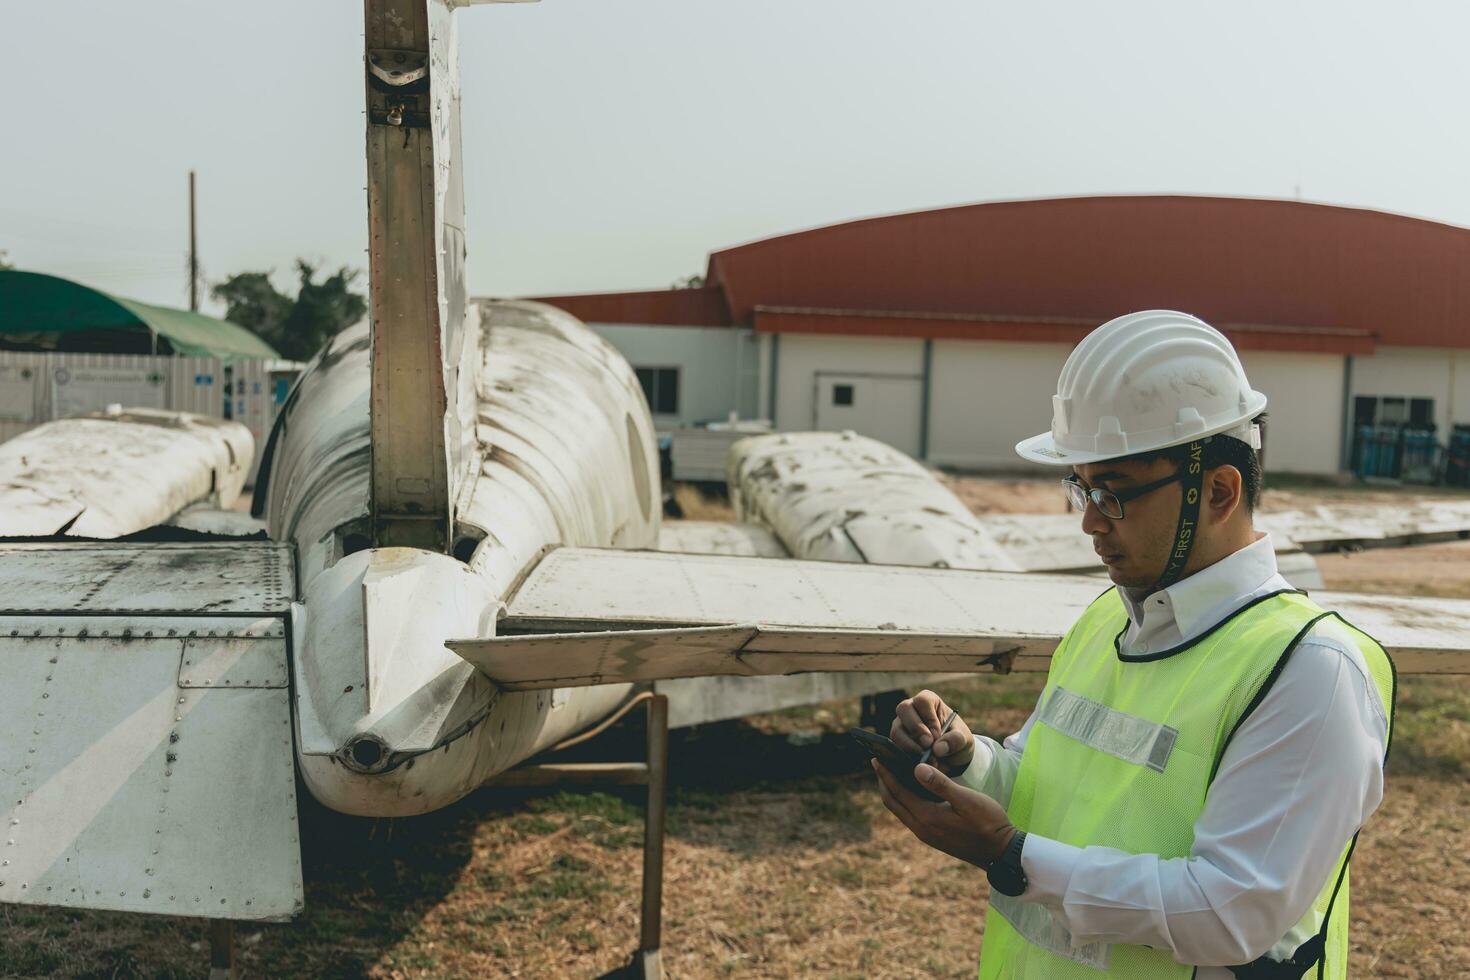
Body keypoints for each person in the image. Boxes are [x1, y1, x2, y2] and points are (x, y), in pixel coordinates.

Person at [871, 310, 1394, 979]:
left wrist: (1009, 855)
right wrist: (967, 760)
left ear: (1219, 492)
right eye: (1081, 488)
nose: (1089, 521)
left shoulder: (1311, 672)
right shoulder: (1104, 622)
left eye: (1114, 493)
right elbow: (1043, 789)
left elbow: (1230, 912)